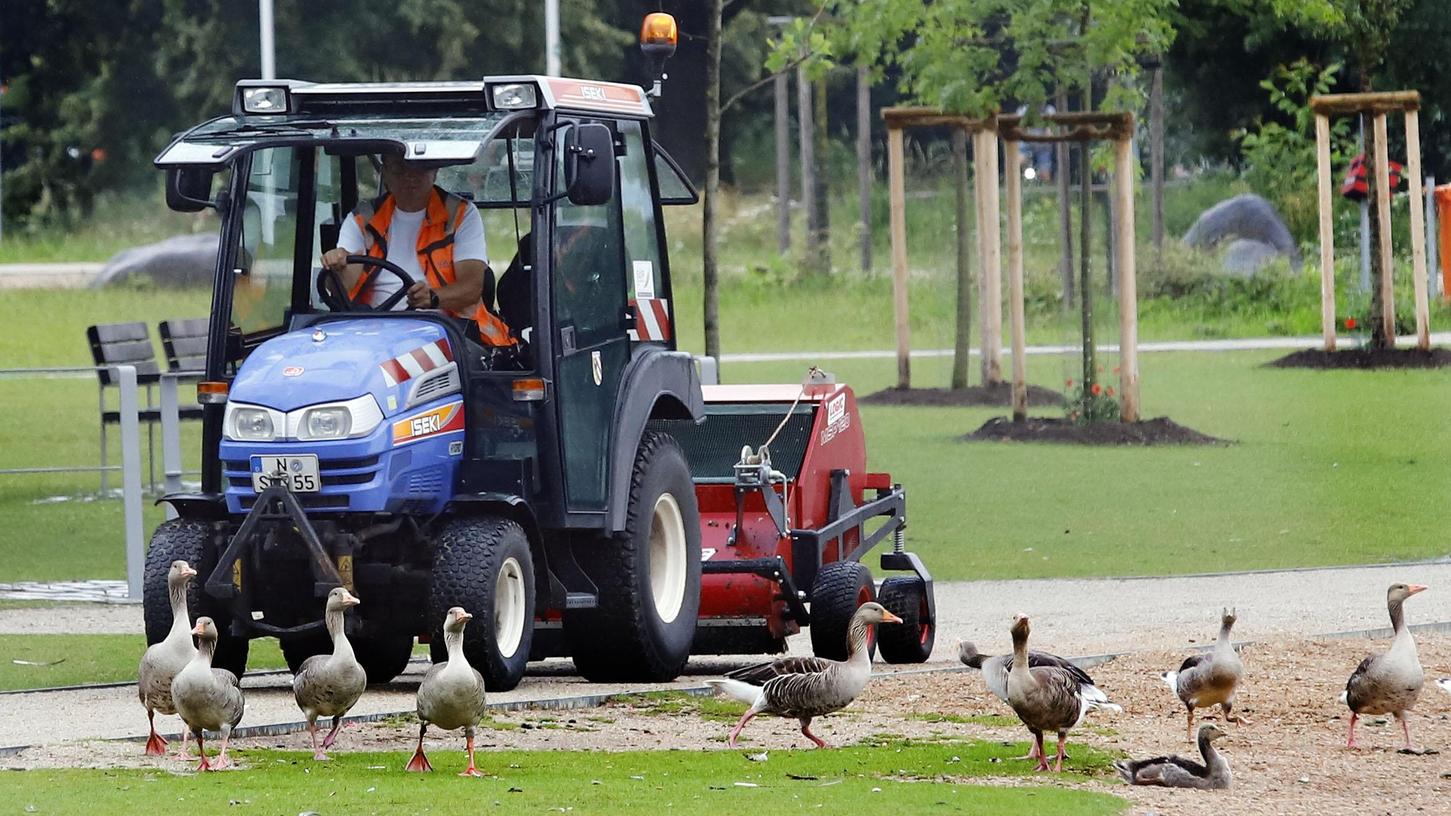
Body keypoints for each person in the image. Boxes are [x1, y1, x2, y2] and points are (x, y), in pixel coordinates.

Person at [322, 152, 512, 346]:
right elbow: (342, 286)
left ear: (435, 171)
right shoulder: (362, 218)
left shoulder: (461, 214)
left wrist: (434, 298)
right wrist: (337, 265)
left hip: (446, 330)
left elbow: (471, 288)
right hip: (370, 330)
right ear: (385, 172)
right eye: (399, 168)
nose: (410, 176)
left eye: (421, 167)